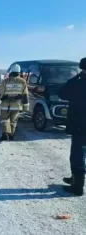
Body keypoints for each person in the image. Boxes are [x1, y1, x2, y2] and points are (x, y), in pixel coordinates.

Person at [58, 57, 86, 196]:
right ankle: (75, 179)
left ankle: (77, 186)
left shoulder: (79, 83)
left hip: (81, 125)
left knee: (77, 155)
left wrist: (77, 78)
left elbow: (62, 92)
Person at [0, 64, 29, 142]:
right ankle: (11, 135)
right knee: (14, 121)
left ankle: (5, 135)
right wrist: (26, 106)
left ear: (11, 71)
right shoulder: (23, 81)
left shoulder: (5, 81)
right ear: (19, 72)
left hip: (6, 105)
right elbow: (25, 94)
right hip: (17, 106)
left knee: (4, 120)